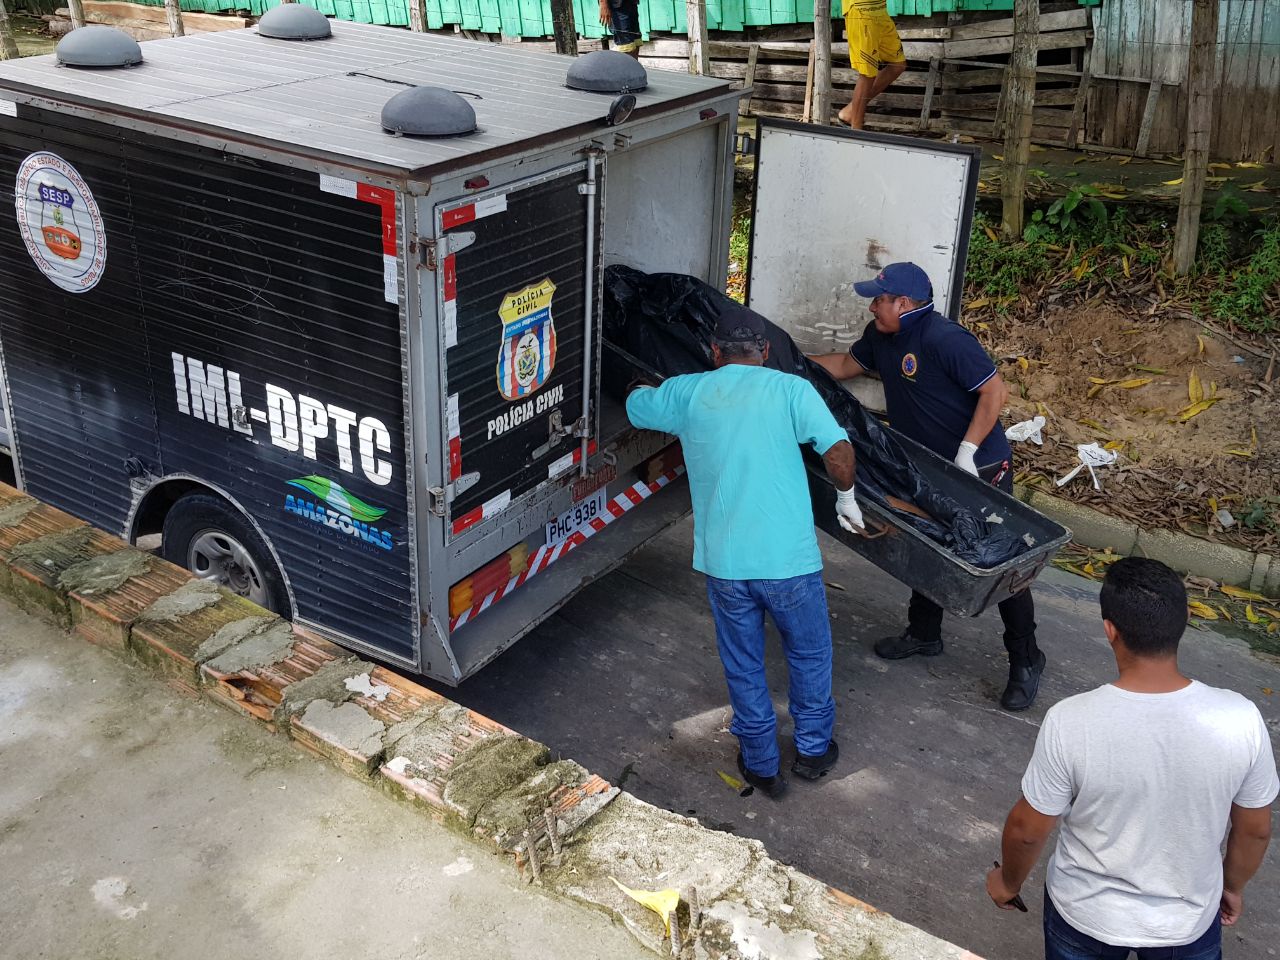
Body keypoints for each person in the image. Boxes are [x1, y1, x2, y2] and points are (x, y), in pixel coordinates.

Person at [626, 303, 866, 799]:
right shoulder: (792, 389)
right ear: (766, 352)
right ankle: (814, 751)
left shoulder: (688, 392)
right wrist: (846, 499)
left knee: (744, 662)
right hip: (789, 564)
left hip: (726, 565)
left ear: (715, 352)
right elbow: (839, 454)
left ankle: (760, 764)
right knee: (810, 654)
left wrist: (635, 384)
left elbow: (637, 406)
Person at [985, 557, 1277, 960]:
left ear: (1110, 631)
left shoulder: (1071, 720)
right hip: (1187, 921)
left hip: (1084, 915)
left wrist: (1008, 882)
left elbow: (1028, 829)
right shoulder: (1241, 718)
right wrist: (1231, 887)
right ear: (1187, 618)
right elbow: (1255, 829)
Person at [809, 261, 1044, 711]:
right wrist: (784, 363)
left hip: (978, 465)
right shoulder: (882, 335)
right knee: (929, 540)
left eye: (879, 299)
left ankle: (1026, 657)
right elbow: (842, 365)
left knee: (999, 559)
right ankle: (924, 632)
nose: (872, 307)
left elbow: (995, 392)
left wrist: (968, 451)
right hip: (927, 465)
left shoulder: (943, 338)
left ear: (904, 302)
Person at [838, 0, 907, 129]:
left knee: (898, 65)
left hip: (879, 9)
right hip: (860, 10)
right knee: (867, 73)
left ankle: (850, 111)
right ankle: (856, 132)